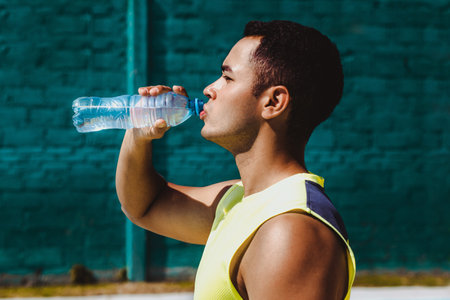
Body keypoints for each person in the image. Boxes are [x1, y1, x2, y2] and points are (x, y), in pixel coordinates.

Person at [116, 20, 356, 300]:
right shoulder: (238, 201)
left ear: (273, 102)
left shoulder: (289, 230)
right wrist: (138, 134)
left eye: (227, 78)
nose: (208, 88)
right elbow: (144, 205)